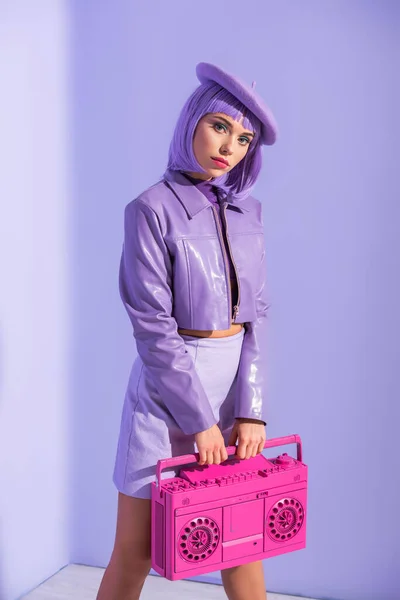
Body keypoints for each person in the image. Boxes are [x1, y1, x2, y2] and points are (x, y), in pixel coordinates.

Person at [96, 62, 278, 600]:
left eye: (244, 138)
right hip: (165, 394)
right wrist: (197, 420)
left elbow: (257, 316)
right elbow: (152, 324)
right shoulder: (149, 210)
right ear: (192, 121)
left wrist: (252, 407)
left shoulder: (249, 213)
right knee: (137, 550)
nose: (230, 146)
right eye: (220, 126)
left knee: (243, 542)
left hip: (232, 392)